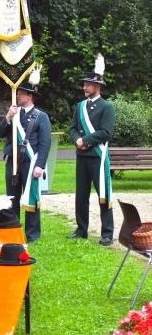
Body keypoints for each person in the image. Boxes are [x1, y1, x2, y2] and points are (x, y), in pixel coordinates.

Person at [0, 68, 51, 243]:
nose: (17, 96)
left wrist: (40, 165)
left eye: (20, 94)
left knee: (31, 198)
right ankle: (14, 230)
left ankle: (32, 234)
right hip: (12, 161)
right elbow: (0, 133)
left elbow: (45, 143)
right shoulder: (14, 113)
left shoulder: (41, 116)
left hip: (30, 161)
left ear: (29, 96)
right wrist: (8, 117)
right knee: (12, 198)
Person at [69, 54, 116, 246]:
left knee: (103, 195)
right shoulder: (79, 106)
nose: (84, 87)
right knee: (81, 195)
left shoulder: (107, 107)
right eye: (84, 84)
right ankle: (81, 229)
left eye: (88, 84)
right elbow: (73, 128)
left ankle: (107, 233)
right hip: (82, 156)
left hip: (97, 157)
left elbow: (106, 132)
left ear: (97, 86)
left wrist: (86, 140)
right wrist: (77, 140)